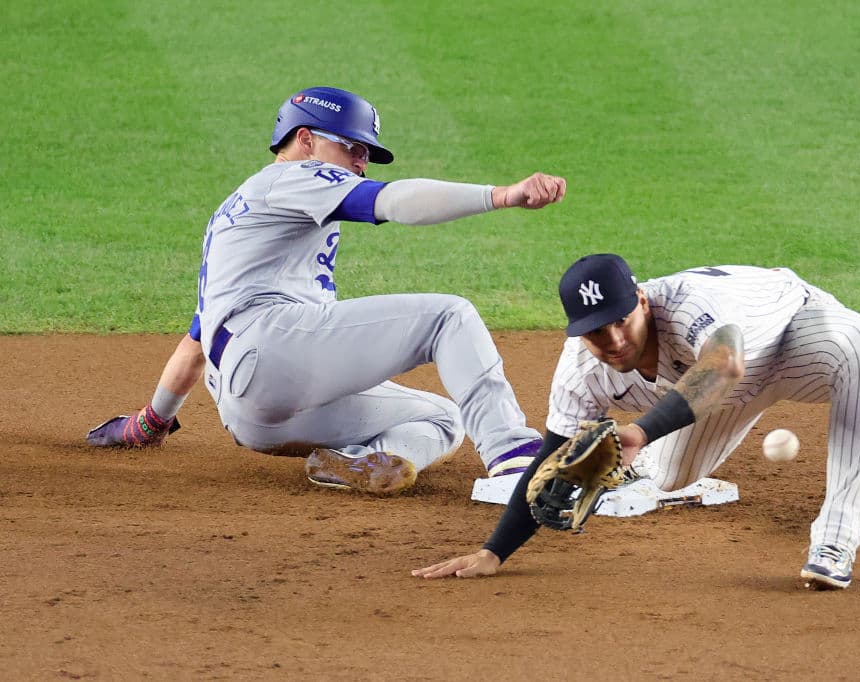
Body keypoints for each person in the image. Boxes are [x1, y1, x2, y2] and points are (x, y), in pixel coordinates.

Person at [87, 86, 567, 492]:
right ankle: (515, 462)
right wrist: (502, 196)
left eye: (366, 153)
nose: (361, 163)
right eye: (352, 148)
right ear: (305, 139)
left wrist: (149, 421)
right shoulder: (292, 176)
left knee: (443, 417)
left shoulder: (241, 212)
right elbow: (391, 201)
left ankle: (363, 461)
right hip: (273, 350)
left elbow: (196, 340)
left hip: (250, 412)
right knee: (450, 317)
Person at [413, 254, 860, 589]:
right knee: (668, 476)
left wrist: (639, 433)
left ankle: (835, 539)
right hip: (715, 394)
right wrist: (493, 552)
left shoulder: (687, 305)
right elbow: (549, 459)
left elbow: (725, 364)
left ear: (642, 301)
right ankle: (647, 462)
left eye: (622, 320)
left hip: (794, 340)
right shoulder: (580, 372)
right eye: (597, 332)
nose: (615, 340)